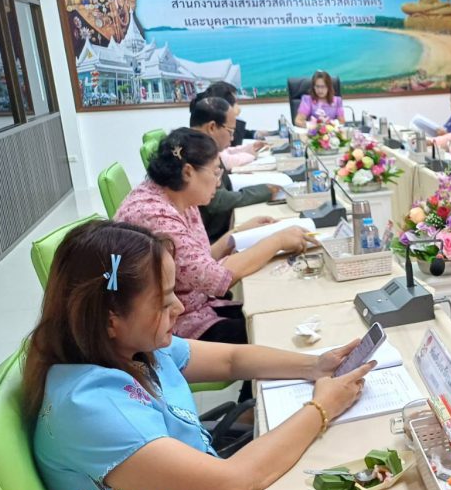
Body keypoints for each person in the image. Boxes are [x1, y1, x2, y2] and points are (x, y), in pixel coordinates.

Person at [26, 219, 374, 490]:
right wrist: (322, 408)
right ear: (110, 319)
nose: (178, 307)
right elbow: (229, 486)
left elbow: (230, 360)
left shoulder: (129, 348)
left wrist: (314, 366)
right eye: (163, 301)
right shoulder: (91, 407)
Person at [115, 129, 308, 400]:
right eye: (216, 172)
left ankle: (250, 404)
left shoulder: (177, 195)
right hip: (167, 327)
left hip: (191, 306)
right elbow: (215, 279)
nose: (219, 182)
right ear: (188, 172)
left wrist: (234, 236)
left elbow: (197, 261)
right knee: (266, 333)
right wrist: (277, 241)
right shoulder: (155, 215)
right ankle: (254, 410)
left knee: (268, 314)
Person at [189, 96, 279, 242]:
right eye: (230, 132)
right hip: (212, 238)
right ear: (212, 127)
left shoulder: (201, 145)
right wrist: (264, 191)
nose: (232, 139)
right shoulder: (194, 152)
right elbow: (217, 201)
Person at [196, 81, 272, 148]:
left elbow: (242, 132)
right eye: (235, 102)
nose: (238, 106)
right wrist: (234, 116)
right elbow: (235, 143)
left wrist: (256, 134)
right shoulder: (216, 126)